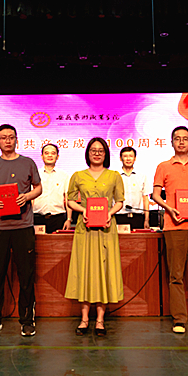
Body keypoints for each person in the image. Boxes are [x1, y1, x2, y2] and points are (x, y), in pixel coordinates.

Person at [0, 124, 42, 337]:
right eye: (3, 137)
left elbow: (38, 188)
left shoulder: (28, 162)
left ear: (17, 139)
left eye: (11, 137)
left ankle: (27, 320)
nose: (7, 140)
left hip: (23, 226)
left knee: (26, 275)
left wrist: (27, 196)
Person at [152, 126, 188, 334]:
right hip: (173, 225)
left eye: (185, 139)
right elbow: (156, 195)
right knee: (176, 275)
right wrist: (169, 208)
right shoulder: (163, 166)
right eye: (177, 139)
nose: (181, 142)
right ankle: (179, 319)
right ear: (171, 142)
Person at [65, 137, 125, 336]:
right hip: (85, 228)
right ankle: (84, 319)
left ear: (106, 154)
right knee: (85, 270)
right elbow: (70, 200)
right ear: (88, 153)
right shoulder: (78, 176)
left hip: (106, 228)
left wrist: (109, 213)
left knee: (104, 271)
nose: (97, 153)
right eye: (93, 150)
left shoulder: (114, 176)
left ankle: (100, 320)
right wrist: (83, 210)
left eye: (101, 150)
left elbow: (119, 201)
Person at [33, 144, 72, 233]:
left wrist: (69, 219)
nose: (50, 155)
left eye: (53, 153)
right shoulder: (35, 174)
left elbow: (68, 198)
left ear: (57, 156)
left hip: (58, 218)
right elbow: (32, 199)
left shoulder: (64, 175)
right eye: (46, 153)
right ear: (42, 156)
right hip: (37, 218)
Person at [114, 147, 150, 230]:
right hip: (119, 217)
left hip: (138, 217)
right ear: (120, 158)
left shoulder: (142, 176)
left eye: (131, 156)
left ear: (135, 158)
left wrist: (146, 219)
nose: (128, 159)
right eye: (125, 156)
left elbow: (145, 199)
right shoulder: (115, 176)